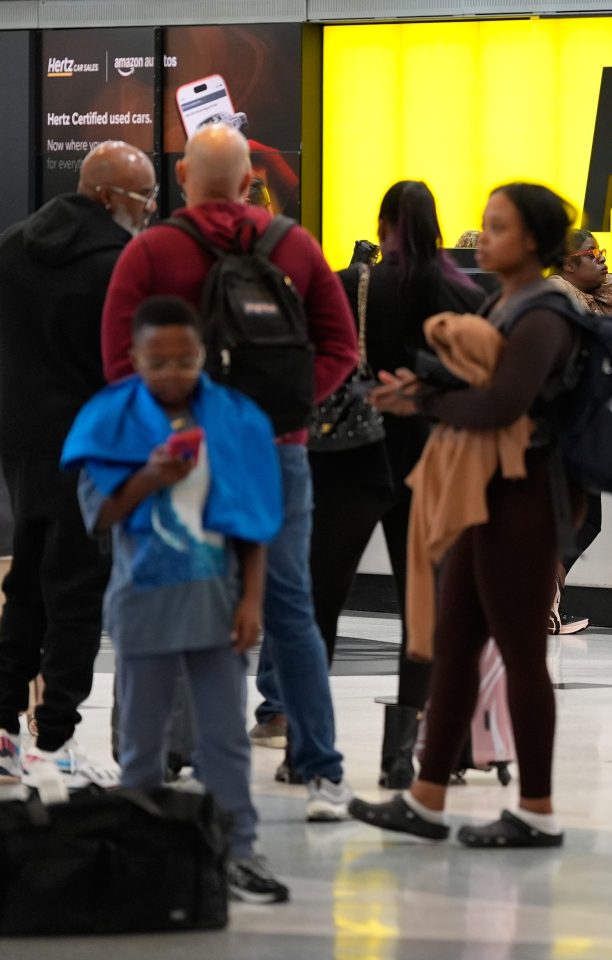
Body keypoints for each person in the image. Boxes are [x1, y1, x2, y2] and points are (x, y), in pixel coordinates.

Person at [100, 123, 359, 821]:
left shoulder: (152, 249)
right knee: (289, 607)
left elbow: (119, 361)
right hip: (277, 450)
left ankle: (172, 762)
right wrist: (290, 409)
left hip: (184, 458)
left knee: (184, 596)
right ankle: (321, 769)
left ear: (182, 176)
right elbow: (342, 345)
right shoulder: (293, 245)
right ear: (250, 181)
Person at [349, 182, 577, 849]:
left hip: (522, 499)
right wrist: (419, 391)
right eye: (484, 223)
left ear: (532, 239)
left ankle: (536, 808)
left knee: (521, 654)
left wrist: (421, 404)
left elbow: (502, 405)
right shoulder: (506, 305)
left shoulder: (543, 314)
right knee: (453, 648)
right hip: (488, 495)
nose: (483, 235)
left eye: (498, 226)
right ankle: (426, 797)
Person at [61, 296, 288, 903]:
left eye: (184, 360)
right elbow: (101, 515)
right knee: (142, 741)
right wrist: (146, 478)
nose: (171, 373)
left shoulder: (232, 422)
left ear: (203, 357)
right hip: (143, 607)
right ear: (133, 358)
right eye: (156, 361)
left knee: (225, 739)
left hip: (218, 603)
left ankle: (238, 849)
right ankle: (139, 852)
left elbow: (253, 524)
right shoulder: (114, 423)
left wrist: (252, 603)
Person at [268, 180, 484, 790]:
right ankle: (402, 755)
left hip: (348, 457)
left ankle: (304, 747)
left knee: (319, 605)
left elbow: (312, 353)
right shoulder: (460, 291)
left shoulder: (348, 283)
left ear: (384, 223)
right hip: (430, 463)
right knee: (425, 612)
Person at [0, 141, 155, 788]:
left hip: (22, 446)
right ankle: (58, 735)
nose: (149, 213)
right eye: (144, 200)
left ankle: (5, 728)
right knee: (77, 594)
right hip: (89, 451)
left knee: (26, 585)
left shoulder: (11, 247)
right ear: (110, 197)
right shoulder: (118, 265)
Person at [547, 228, 612, 635]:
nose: (603, 260)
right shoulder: (555, 291)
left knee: (580, 518)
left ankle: (543, 600)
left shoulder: (580, 291)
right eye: (592, 254)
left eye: (603, 252)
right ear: (568, 264)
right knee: (578, 517)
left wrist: (598, 279)